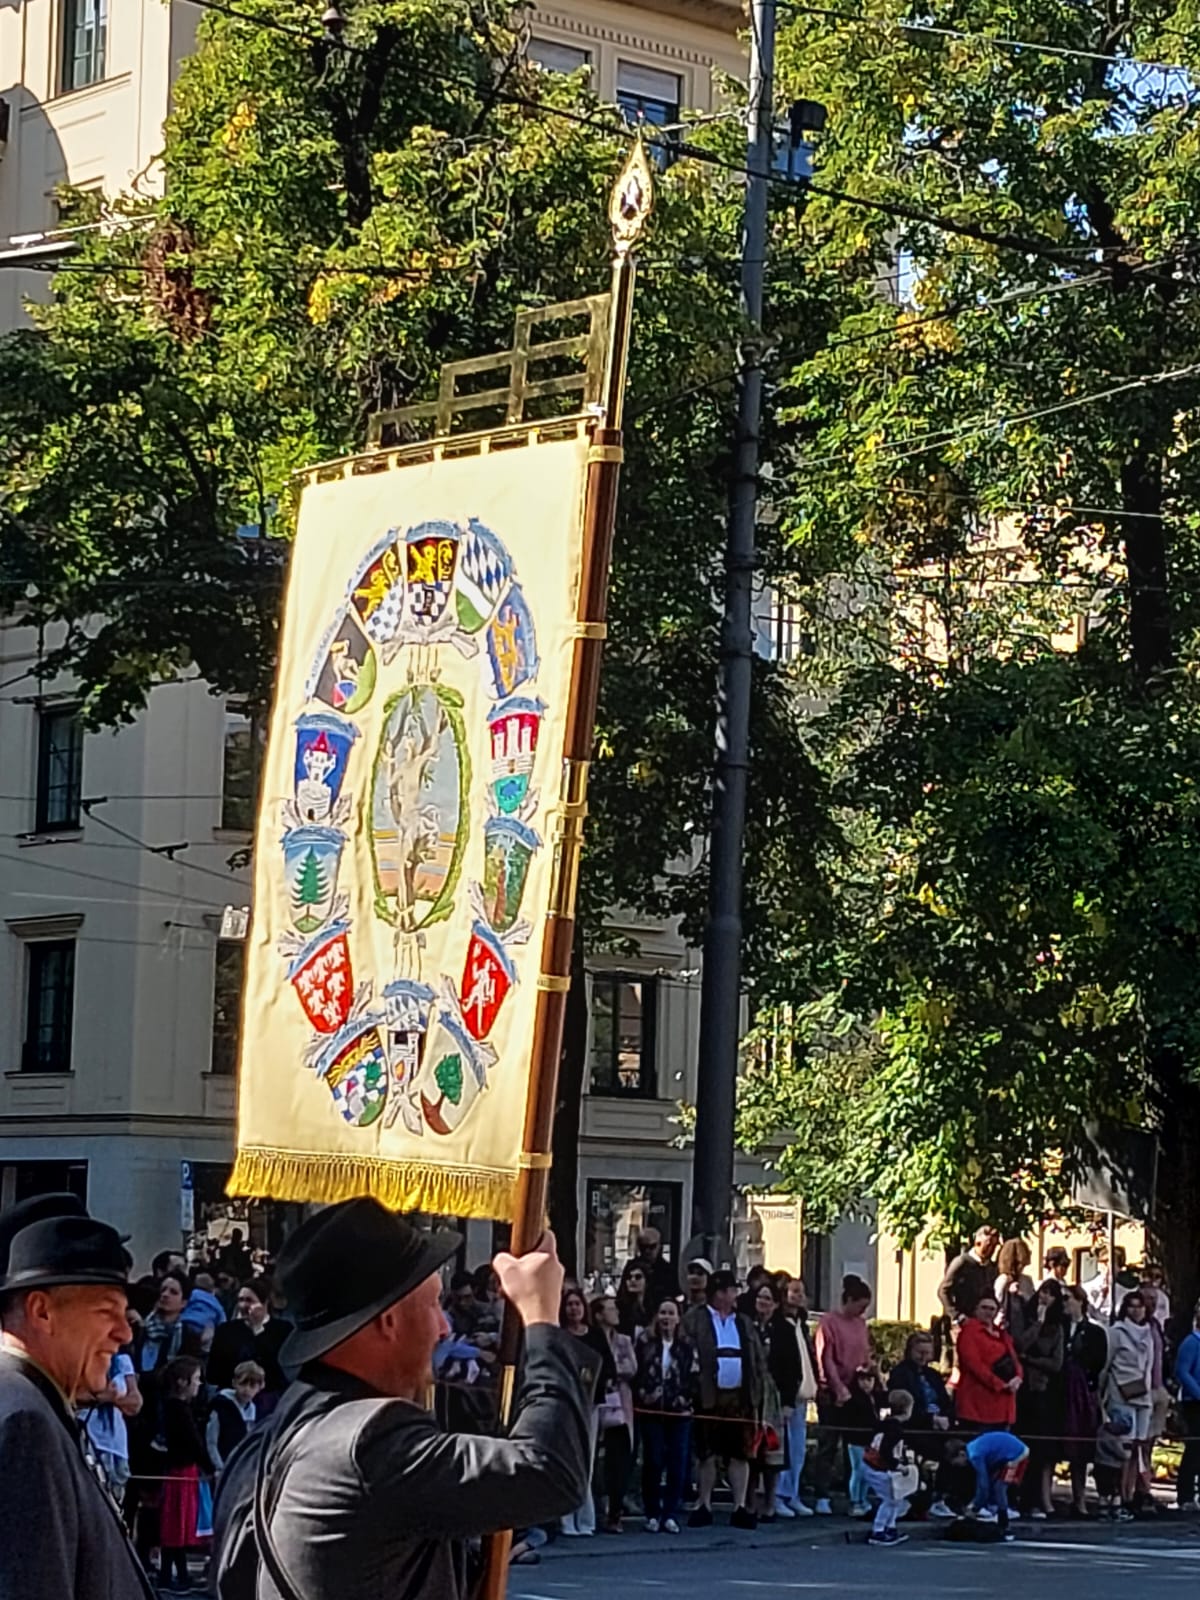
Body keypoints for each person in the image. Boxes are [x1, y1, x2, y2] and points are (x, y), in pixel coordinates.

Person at [211, 1199, 594, 1600]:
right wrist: (541, 1321)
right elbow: (551, 1473)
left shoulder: (264, 1441)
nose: (443, 1328)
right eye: (433, 1304)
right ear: (389, 1320)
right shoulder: (370, 1440)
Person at [0, 1211, 156, 1598]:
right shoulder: (24, 1422)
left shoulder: (33, 1404)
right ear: (42, 1311)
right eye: (106, 1312)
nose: (124, 1333)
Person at [683, 1268, 766, 1530]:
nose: (735, 1295)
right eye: (731, 1291)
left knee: (740, 1452)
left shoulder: (743, 1321)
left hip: (739, 1396)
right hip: (708, 1396)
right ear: (719, 1293)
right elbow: (685, 1352)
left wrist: (756, 1391)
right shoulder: (695, 1318)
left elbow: (757, 1358)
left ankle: (739, 1506)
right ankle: (703, 1504)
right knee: (706, 1452)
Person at [634, 1297, 698, 1533]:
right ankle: (652, 1512)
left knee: (677, 1462)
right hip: (651, 1411)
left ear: (678, 1318)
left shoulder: (687, 1345)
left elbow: (694, 1376)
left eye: (671, 1313)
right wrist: (645, 1394)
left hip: (679, 1413)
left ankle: (670, 1512)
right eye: (663, 1313)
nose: (666, 1318)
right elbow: (637, 1373)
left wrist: (684, 1399)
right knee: (653, 1460)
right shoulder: (645, 1343)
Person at [813, 1273, 873, 1514]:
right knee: (828, 1443)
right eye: (860, 1306)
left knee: (855, 1446)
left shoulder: (861, 1325)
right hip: (832, 1390)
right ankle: (822, 1494)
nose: (862, 1311)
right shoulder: (829, 1322)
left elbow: (865, 1355)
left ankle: (854, 1494)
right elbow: (825, 1357)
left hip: (856, 1390)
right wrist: (837, 1387)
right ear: (848, 1300)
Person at [159, 1354, 214, 1593]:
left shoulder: (181, 1408)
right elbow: (193, 1442)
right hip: (180, 1470)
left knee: (178, 1525)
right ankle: (170, 1575)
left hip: (184, 1470)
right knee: (175, 1525)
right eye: (196, 1379)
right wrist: (210, 1467)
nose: (199, 1384)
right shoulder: (177, 1409)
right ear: (182, 1382)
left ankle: (178, 1573)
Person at [1013, 1277, 1065, 1517]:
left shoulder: (1057, 1329)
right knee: (1019, 1445)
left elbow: (1056, 1363)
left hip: (1043, 1391)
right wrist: (1037, 1323)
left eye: (1051, 1294)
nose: (1045, 1297)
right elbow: (1019, 1345)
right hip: (1021, 1389)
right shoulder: (1024, 1318)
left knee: (1039, 1449)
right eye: (1043, 1292)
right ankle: (1014, 1495)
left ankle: (1033, 1499)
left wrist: (1031, 1360)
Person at [889, 1330, 955, 1515]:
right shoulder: (900, 1374)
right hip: (913, 1427)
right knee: (940, 1451)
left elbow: (943, 1401)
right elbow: (903, 1405)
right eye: (920, 1352)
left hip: (938, 1424)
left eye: (927, 1353)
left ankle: (942, 1497)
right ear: (910, 1351)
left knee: (957, 1448)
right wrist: (929, 1418)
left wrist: (946, 1417)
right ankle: (926, 1497)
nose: (923, 1357)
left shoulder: (933, 1375)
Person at [1101, 1290, 1155, 1512]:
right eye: (1132, 1306)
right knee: (1123, 1448)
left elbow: (1150, 1365)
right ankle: (1120, 1494)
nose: (1136, 1310)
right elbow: (1106, 1363)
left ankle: (1132, 1493)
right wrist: (1101, 1395)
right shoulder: (1116, 1332)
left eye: (1140, 1306)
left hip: (1144, 1395)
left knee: (1139, 1447)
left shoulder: (1149, 1333)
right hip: (1121, 1393)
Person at [748, 1278, 797, 1521]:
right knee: (750, 1451)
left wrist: (788, 1402)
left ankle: (770, 1502)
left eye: (768, 1298)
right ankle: (749, 1503)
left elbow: (793, 1369)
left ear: (776, 1304)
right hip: (751, 1395)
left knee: (773, 1452)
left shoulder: (785, 1330)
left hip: (774, 1397)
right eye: (760, 1297)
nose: (763, 1302)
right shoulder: (747, 1325)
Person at [591, 1293, 636, 1533]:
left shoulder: (624, 1341)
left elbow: (632, 1368)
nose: (615, 1312)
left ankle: (615, 1511)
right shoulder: (591, 1339)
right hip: (596, 1402)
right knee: (593, 1458)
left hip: (619, 1404)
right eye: (610, 1309)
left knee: (619, 1458)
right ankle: (596, 1508)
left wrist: (610, 1371)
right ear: (599, 1315)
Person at [1062, 1284, 1107, 1517]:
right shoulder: (1057, 1328)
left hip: (1081, 1394)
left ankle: (1081, 1500)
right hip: (1059, 1393)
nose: (1065, 1303)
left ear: (1080, 1301)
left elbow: (1099, 1362)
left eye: (1068, 1298)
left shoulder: (1094, 1332)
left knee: (1081, 1447)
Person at [81, 1344, 143, 1507]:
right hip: (89, 1436)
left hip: (116, 1442)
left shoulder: (122, 1360)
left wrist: (109, 1399)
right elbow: (76, 1397)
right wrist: (109, 1398)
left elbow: (135, 1403)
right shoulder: (83, 1355)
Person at [776, 1277, 817, 1517]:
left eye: (802, 1291)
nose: (799, 1296)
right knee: (784, 1447)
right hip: (786, 1396)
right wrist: (786, 1398)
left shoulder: (801, 1324)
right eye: (794, 1291)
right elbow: (784, 1364)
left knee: (798, 1448)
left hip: (802, 1395)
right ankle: (779, 1495)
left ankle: (793, 1493)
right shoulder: (780, 1325)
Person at [207, 1277, 290, 1398]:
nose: (243, 1305)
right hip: (231, 1397)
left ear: (265, 1303)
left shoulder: (283, 1330)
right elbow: (213, 1373)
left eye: (249, 1300)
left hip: (270, 1399)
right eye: (241, 1300)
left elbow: (284, 1373)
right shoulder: (226, 1330)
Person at [954, 1292, 1022, 1433]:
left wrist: (1018, 1377)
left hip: (1004, 1404)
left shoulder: (1002, 1334)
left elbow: (1015, 1359)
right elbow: (974, 1364)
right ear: (975, 1310)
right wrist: (999, 1384)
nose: (988, 1312)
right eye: (984, 1307)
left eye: (992, 1309)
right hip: (977, 1404)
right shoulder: (968, 1332)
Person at [861, 1390, 917, 1547]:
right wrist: (899, 1466)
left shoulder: (884, 1424)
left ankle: (890, 1527)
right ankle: (878, 1530)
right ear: (907, 1408)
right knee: (890, 1499)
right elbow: (886, 1451)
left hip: (871, 1465)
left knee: (896, 1498)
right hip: (878, 1468)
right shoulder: (895, 1430)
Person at [964, 1429, 1029, 1538]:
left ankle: (1004, 1522)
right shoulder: (972, 1446)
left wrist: (975, 1507)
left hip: (1018, 1456)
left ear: (961, 1454)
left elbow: (983, 1485)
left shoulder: (975, 1456)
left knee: (999, 1488)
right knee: (995, 1484)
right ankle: (996, 1512)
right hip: (1008, 1452)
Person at [207, 1360, 266, 1479]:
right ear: (234, 1383)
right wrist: (219, 1467)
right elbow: (211, 1441)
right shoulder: (220, 1406)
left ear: (260, 1387)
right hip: (221, 1468)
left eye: (252, 1386)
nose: (246, 1390)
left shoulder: (253, 1409)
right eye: (242, 1384)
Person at [841, 1366, 882, 1517]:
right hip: (856, 1440)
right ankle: (855, 1501)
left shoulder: (875, 1398)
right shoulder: (853, 1399)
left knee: (867, 1472)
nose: (866, 1383)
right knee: (857, 1470)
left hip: (869, 1440)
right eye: (862, 1379)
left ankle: (863, 1499)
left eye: (869, 1379)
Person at [938, 1227, 1001, 1324]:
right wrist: (956, 1315)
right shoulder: (962, 1262)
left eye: (994, 1246)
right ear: (977, 1243)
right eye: (989, 1245)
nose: (992, 1249)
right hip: (964, 1321)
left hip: (983, 1322)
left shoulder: (991, 1268)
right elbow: (943, 1291)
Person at [1174, 1301, 1200, 1511]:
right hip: (1194, 1403)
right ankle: (1186, 1495)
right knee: (1194, 1448)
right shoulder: (1192, 1342)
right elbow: (1182, 1371)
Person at [1094, 1408, 1135, 1521]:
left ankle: (1102, 1512)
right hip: (1112, 1467)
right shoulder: (1112, 1438)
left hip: (1099, 1464)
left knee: (1102, 1492)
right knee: (1116, 1491)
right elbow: (1122, 1454)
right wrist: (1127, 1452)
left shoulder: (1101, 1431)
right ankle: (1116, 1511)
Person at [629, 1228, 678, 1312]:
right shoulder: (631, 1267)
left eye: (652, 1247)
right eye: (643, 1247)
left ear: (659, 1246)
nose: (647, 1251)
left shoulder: (668, 1270)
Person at [993, 1240, 1035, 1338]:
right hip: (1006, 1330)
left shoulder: (1027, 1280)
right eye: (1020, 1264)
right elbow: (997, 1305)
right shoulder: (1003, 1280)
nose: (1022, 1268)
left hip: (1024, 1330)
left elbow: (1032, 1304)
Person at [615, 1261, 652, 1339]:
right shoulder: (619, 1307)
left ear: (647, 1281)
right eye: (629, 1277)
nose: (632, 1280)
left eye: (638, 1277)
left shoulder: (654, 1306)